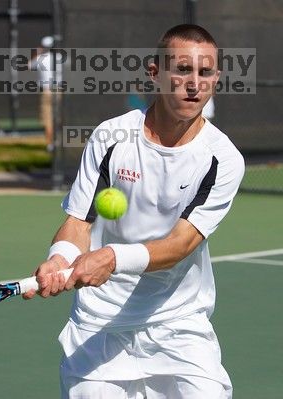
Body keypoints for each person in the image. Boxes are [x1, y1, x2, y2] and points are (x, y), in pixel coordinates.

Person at [23, 24, 245, 398]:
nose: (194, 83)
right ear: (155, 72)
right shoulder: (110, 137)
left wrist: (110, 257)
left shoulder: (222, 159)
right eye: (182, 69)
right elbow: (79, 221)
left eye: (205, 72)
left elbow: (180, 244)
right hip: (99, 326)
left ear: (216, 78)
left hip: (179, 325)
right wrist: (59, 258)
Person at [31, 36, 62, 152]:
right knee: (58, 118)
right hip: (58, 90)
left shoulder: (40, 58)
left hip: (47, 90)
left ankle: (50, 144)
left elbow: (28, 66)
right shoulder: (60, 57)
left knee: (48, 119)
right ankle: (57, 142)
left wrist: (37, 53)